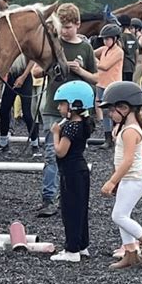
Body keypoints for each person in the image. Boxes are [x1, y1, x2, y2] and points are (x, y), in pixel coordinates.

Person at [33, 3, 98, 217]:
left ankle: (69, 196)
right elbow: (35, 71)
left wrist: (80, 70)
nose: (64, 31)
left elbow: (96, 77)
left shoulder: (86, 48)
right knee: (52, 154)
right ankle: (48, 197)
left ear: (78, 25)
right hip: (53, 106)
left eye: (68, 27)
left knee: (74, 153)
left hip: (79, 110)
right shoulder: (53, 43)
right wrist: (52, 67)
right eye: (62, 27)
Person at [100, 81, 142, 270]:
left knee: (118, 215)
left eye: (112, 110)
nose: (110, 114)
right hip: (129, 178)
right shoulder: (125, 129)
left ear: (125, 108)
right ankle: (130, 253)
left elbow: (127, 161)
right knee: (122, 214)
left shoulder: (130, 131)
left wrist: (112, 181)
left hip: (134, 179)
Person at [49, 81, 95, 262]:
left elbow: (60, 151)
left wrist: (55, 133)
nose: (59, 107)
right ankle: (82, 245)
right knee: (81, 208)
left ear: (74, 105)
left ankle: (72, 249)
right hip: (81, 169)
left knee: (70, 210)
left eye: (62, 104)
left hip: (70, 172)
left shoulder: (70, 126)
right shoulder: (83, 123)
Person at [0, 54, 40, 157]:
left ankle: (35, 144)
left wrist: (23, 77)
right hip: (11, 75)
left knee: (27, 113)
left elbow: (32, 58)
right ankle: (3, 143)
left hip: (24, 76)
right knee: (4, 110)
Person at [94, 24, 124, 149]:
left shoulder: (118, 52)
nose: (105, 41)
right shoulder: (105, 49)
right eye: (104, 39)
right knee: (105, 112)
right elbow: (92, 53)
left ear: (115, 39)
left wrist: (93, 61)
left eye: (108, 39)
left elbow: (105, 66)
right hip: (101, 83)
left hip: (112, 85)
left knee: (116, 112)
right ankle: (107, 138)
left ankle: (117, 136)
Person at [118, 14, 139, 82]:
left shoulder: (121, 37)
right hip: (131, 66)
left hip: (123, 66)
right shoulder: (134, 37)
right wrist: (135, 64)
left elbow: (120, 49)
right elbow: (137, 52)